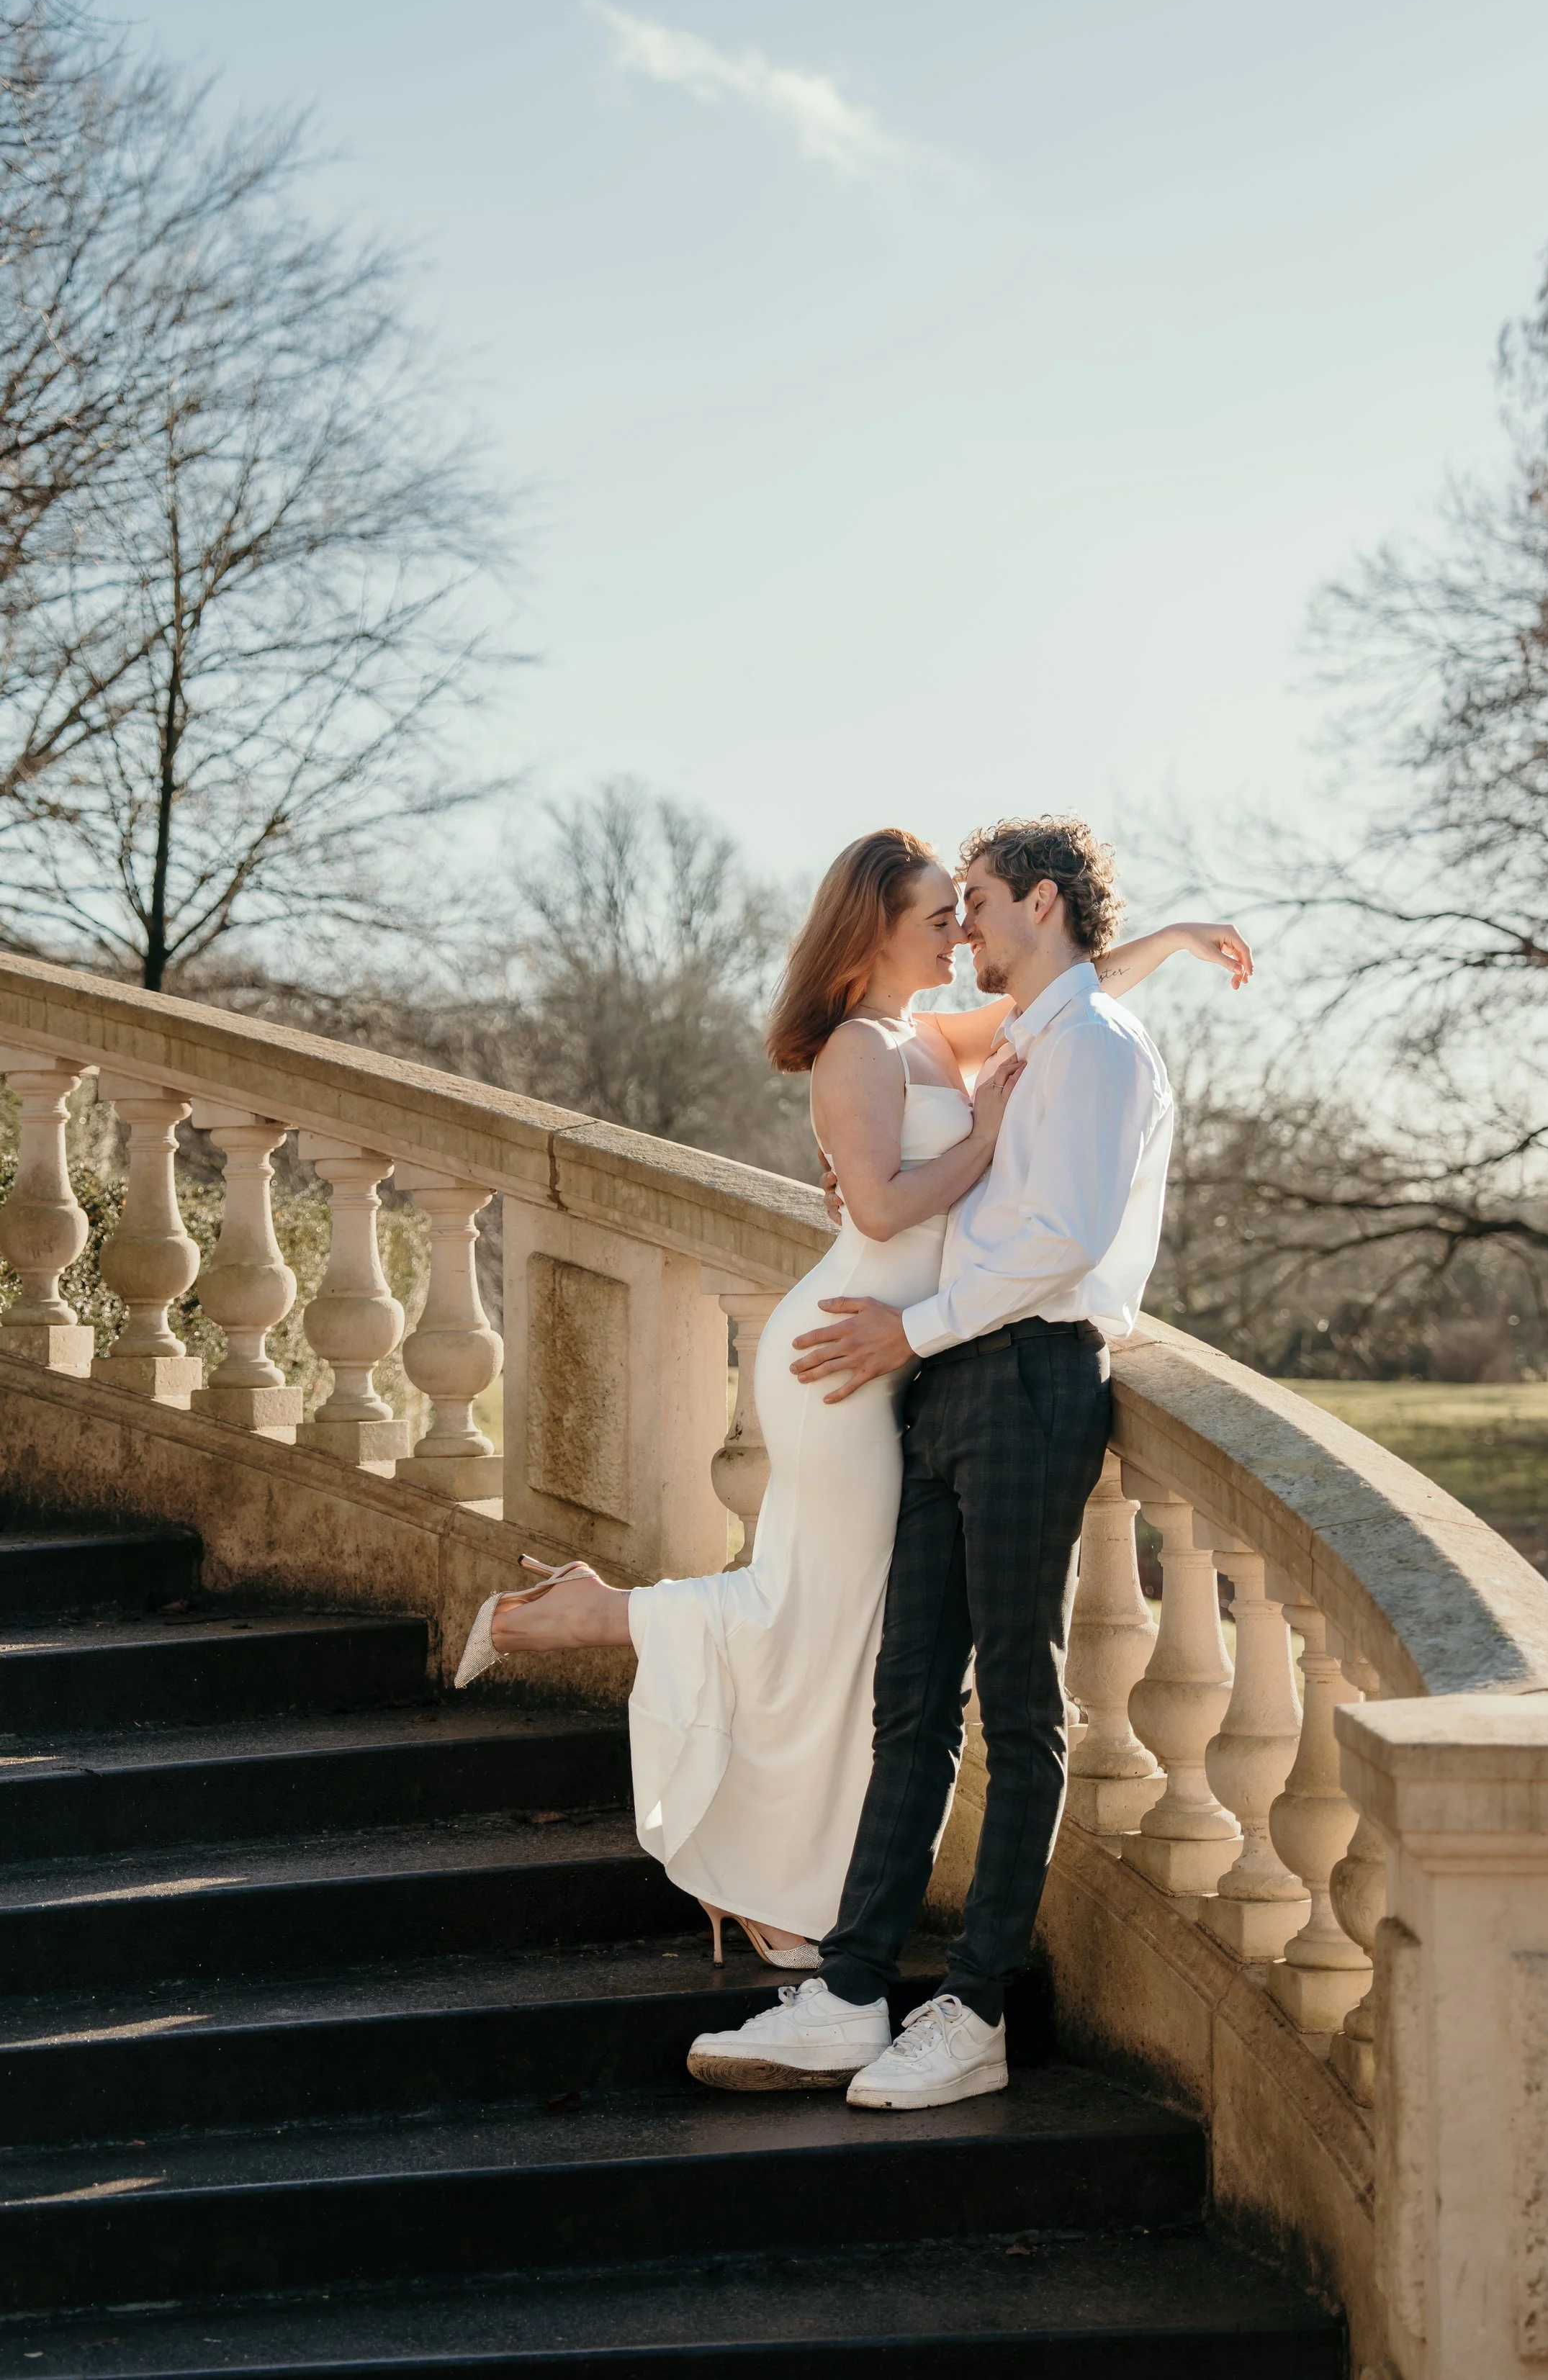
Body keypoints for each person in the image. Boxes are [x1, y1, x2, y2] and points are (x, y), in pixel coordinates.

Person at [457, 821, 1250, 2004]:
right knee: (815, 1614)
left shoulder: (928, 1036)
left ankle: (781, 1880)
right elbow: (879, 1213)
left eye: (967, 906)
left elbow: (1061, 992)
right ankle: (606, 1635)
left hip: (898, 1358)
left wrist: (1175, 940)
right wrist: (984, 1138)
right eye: (941, 913)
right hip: (849, 1354)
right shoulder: (856, 1052)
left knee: (858, 1638)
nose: (961, 927)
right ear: (877, 927)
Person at [685, 816, 1230, 2111]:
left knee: (1021, 1707)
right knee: (911, 1699)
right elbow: (965, 1202)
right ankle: (855, 1991)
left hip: (1032, 1377)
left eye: (977, 902)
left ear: (1040, 903)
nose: (965, 928)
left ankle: (973, 2007)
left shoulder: (1094, 1047)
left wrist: (907, 1324)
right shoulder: (1035, 1040)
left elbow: (1062, 1236)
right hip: (951, 1382)